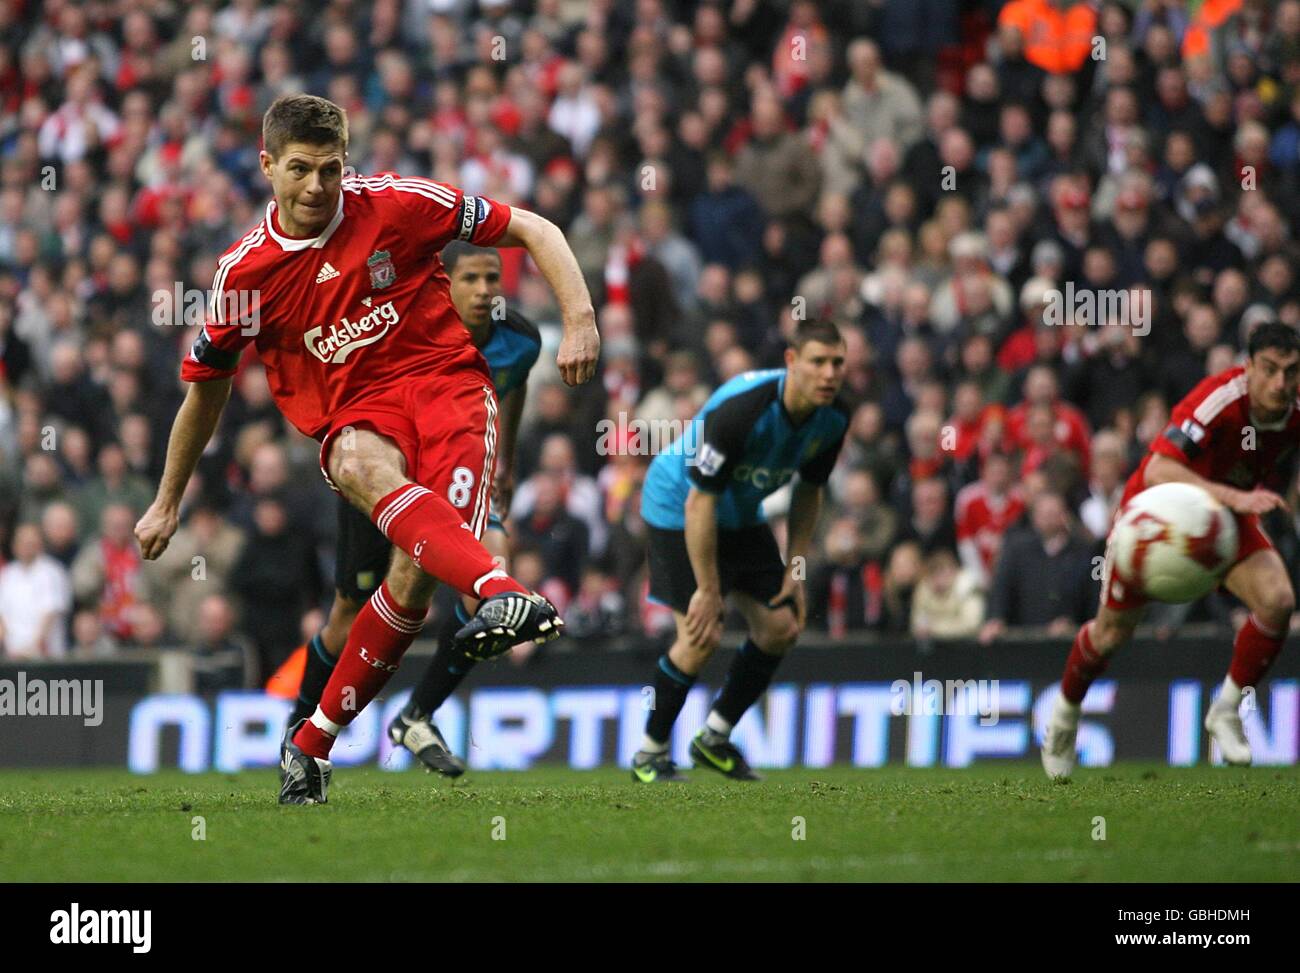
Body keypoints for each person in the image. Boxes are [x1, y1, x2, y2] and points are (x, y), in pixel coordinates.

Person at [133, 95, 599, 804]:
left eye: (330, 169)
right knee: (355, 464)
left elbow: (533, 226)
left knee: (413, 577)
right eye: (299, 170)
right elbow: (205, 391)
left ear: (346, 163)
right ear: (266, 167)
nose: (317, 187)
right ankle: (501, 591)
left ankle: (311, 744)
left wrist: (581, 319)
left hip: (451, 390)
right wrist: (168, 499)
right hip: (358, 415)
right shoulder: (244, 275)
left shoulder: (397, 205)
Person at [286, 241, 543, 777]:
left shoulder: (520, 340)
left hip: (461, 464)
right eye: (470, 278)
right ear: (445, 281)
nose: (484, 291)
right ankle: (301, 725)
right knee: (346, 614)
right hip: (389, 469)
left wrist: (507, 467)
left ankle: (418, 713)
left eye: (492, 278)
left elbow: (508, 397)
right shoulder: (412, 323)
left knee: (486, 582)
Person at [1041, 323, 1300, 779]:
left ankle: (1225, 711)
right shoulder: (1219, 400)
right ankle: (1064, 713)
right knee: (1110, 636)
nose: (1280, 384)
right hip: (1155, 516)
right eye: (1270, 370)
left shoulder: (1293, 410)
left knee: (1278, 601)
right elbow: (1160, 466)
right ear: (1248, 367)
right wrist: (1236, 497)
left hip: (1222, 518)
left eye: (1292, 372)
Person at [631, 320, 848, 782]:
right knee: (700, 635)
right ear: (791, 362)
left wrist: (797, 567)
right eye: (818, 362)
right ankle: (650, 754)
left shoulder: (833, 419)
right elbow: (700, 500)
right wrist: (709, 590)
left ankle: (713, 738)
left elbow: (810, 491)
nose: (829, 374)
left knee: (781, 626)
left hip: (741, 512)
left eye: (837, 363)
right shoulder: (742, 411)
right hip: (678, 505)